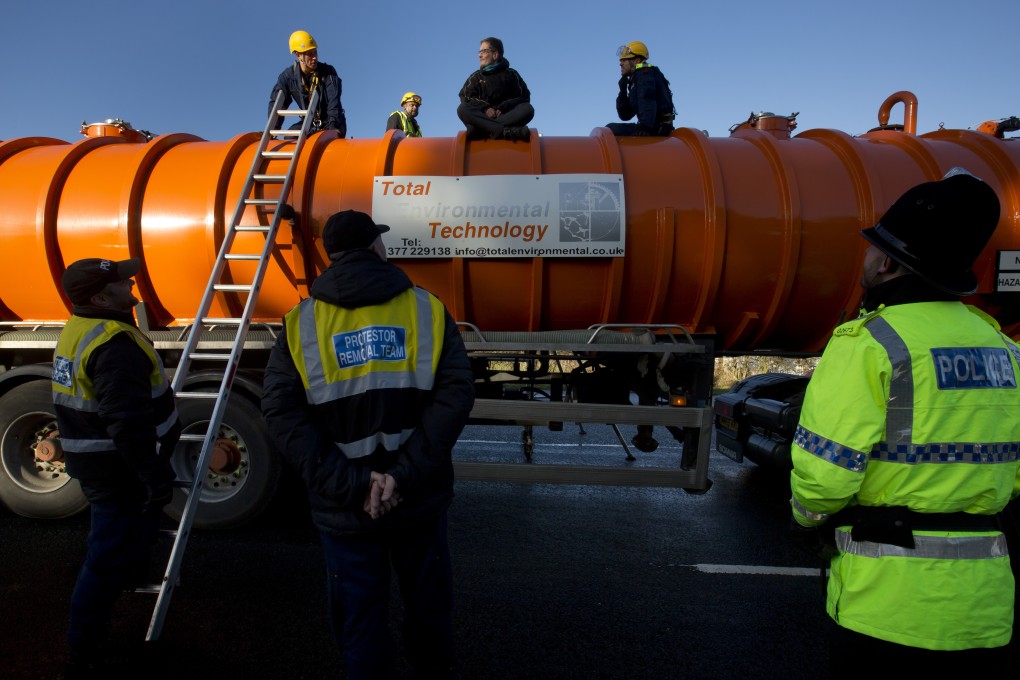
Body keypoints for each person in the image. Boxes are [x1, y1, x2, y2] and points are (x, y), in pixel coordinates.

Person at [788, 169, 1020, 676]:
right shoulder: (1005, 349)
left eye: (872, 247)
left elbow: (825, 474)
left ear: (888, 262)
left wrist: (805, 521)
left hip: (887, 609)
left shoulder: (870, 344)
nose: (866, 256)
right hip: (985, 610)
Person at [261, 210, 475, 679]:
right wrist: (401, 476)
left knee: (360, 622)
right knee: (429, 610)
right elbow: (455, 396)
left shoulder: (299, 323)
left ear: (330, 254)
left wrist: (357, 485)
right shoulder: (427, 308)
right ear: (376, 247)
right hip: (416, 498)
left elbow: (282, 415)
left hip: (346, 508)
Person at [52, 258, 180, 677]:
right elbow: (126, 422)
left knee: (115, 545)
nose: (130, 283)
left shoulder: (80, 329)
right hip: (118, 469)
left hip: (101, 463)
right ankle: (83, 649)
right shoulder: (113, 344)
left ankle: (99, 619)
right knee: (104, 556)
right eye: (120, 281)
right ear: (100, 297)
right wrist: (154, 476)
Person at [268, 30, 347, 136]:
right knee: (289, 136)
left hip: (331, 121)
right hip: (309, 123)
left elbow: (334, 104)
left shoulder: (328, 73)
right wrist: (272, 133)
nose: (314, 57)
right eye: (310, 54)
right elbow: (276, 105)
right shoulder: (287, 78)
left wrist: (333, 130)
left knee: (326, 142)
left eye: (315, 52)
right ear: (298, 55)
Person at [457, 37, 534, 141]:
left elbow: (524, 97)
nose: (480, 55)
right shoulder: (475, 77)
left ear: (495, 55)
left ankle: (482, 130)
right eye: (479, 52)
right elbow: (465, 97)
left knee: (527, 109)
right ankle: (505, 132)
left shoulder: (512, 74)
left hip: (506, 117)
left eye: (484, 51)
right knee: (462, 108)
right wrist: (485, 108)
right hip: (483, 117)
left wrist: (503, 108)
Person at [606, 41, 675, 137]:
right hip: (652, 126)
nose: (620, 64)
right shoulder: (636, 80)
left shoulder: (645, 75)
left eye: (624, 60)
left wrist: (645, 126)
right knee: (609, 129)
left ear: (637, 61)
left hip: (656, 128)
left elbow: (647, 98)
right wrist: (622, 91)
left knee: (610, 129)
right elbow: (625, 115)